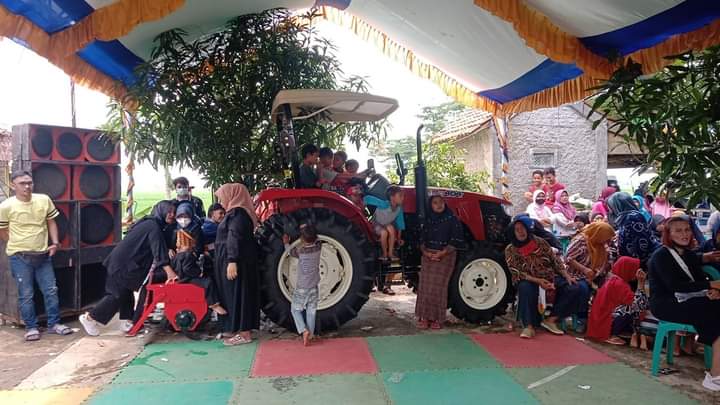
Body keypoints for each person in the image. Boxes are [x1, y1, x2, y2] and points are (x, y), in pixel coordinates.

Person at [79, 201, 179, 336]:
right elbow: (158, 250)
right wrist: (169, 272)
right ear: (161, 211)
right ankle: (90, 318)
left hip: (124, 263)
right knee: (116, 295)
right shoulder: (153, 226)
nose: (172, 215)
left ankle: (128, 321)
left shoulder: (152, 224)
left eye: (174, 212)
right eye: (169, 211)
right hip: (122, 264)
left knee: (126, 292)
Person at [648, 215, 720, 391]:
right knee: (714, 312)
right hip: (666, 304)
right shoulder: (661, 255)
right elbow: (675, 285)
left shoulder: (688, 254)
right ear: (669, 233)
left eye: (687, 229)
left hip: (688, 299)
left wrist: (711, 291)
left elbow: (697, 279)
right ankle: (714, 376)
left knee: (715, 306)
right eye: (678, 230)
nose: (684, 234)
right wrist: (710, 285)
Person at [0, 171, 72, 341]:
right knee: (26, 293)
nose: (27, 186)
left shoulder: (43, 199)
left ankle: (54, 324)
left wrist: (55, 243)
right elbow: (2, 230)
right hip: (19, 256)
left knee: (51, 290)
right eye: (22, 183)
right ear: (13, 185)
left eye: (29, 182)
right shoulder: (6, 206)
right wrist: (16, 244)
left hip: (43, 253)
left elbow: (51, 221)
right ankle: (31, 327)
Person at [505, 216, 585, 338]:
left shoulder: (540, 242)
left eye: (523, 228)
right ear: (513, 232)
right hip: (529, 279)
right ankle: (529, 326)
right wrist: (538, 281)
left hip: (549, 276)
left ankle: (551, 319)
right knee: (525, 288)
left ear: (527, 229)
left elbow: (555, 261)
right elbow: (516, 272)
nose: (521, 232)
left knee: (574, 288)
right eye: (517, 229)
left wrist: (566, 275)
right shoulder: (510, 249)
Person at [214, 183, 260, 346]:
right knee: (236, 295)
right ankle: (239, 329)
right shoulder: (236, 213)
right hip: (233, 260)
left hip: (236, 262)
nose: (221, 201)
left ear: (232, 196)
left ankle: (244, 333)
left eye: (223, 197)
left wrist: (232, 261)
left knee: (239, 296)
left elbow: (234, 237)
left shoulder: (237, 214)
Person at [415, 195, 465, 330]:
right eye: (435, 203)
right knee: (426, 288)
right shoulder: (427, 220)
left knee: (439, 288)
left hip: (446, 256)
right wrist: (426, 253)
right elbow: (421, 239)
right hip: (428, 256)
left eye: (441, 202)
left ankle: (437, 318)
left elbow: (456, 240)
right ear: (430, 205)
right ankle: (424, 318)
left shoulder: (452, 219)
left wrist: (442, 253)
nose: (439, 205)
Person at [586, 257, 649, 347]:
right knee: (634, 309)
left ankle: (630, 334)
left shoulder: (612, 280)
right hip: (606, 324)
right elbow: (638, 305)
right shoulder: (620, 284)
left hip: (599, 322)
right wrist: (640, 284)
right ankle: (615, 334)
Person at [283, 224, 322, 346]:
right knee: (311, 311)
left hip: (302, 287)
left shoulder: (300, 251)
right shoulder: (318, 247)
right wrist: (307, 230)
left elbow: (289, 251)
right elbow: (318, 240)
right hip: (314, 286)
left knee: (295, 310)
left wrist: (286, 242)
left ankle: (303, 330)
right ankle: (311, 334)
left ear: (301, 239)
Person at [608, 192, 661, 267]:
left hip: (641, 261)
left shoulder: (631, 218)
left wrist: (637, 264)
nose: (610, 210)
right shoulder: (626, 217)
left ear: (619, 205)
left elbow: (641, 243)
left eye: (611, 206)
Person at [565, 221, 616, 287]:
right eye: (606, 239)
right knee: (583, 288)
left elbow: (605, 262)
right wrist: (584, 269)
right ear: (599, 235)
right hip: (577, 275)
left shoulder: (600, 244)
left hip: (594, 275)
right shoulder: (581, 241)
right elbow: (568, 258)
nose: (608, 242)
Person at [364, 186, 405, 262]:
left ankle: (390, 253)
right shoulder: (383, 204)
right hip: (376, 224)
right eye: (400, 196)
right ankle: (384, 254)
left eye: (403, 196)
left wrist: (399, 238)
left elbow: (400, 223)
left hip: (386, 224)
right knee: (384, 232)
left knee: (391, 228)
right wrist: (363, 205)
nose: (403, 198)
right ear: (392, 197)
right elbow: (367, 198)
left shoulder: (399, 209)